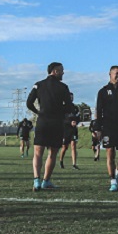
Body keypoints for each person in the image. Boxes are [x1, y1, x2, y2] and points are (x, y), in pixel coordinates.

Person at [26, 62, 74, 191]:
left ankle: (36, 180)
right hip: (56, 123)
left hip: (42, 121)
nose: (63, 73)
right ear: (55, 71)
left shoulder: (39, 84)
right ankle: (46, 181)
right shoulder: (63, 87)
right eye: (62, 70)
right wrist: (59, 111)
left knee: (38, 153)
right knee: (52, 153)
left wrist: (38, 112)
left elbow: (29, 103)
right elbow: (69, 107)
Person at [93, 65, 118, 192]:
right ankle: (113, 181)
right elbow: (98, 111)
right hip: (108, 127)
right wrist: (98, 128)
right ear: (109, 74)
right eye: (116, 73)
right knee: (110, 153)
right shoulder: (103, 91)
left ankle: (117, 171)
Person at [59, 93, 80, 169]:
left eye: (72, 97)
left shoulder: (75, 108)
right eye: (69, 97)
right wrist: (69, 122)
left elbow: (78, 118)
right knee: (64, 147)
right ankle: (61, 161)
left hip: (73, 130)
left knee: (73, 146)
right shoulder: (63, 108)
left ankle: (74, 164)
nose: (71, 98)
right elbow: (61, 119)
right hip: (65, 130)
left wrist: (76, 122)